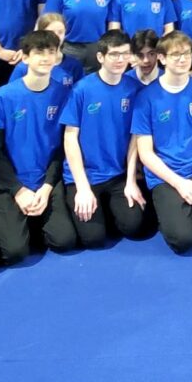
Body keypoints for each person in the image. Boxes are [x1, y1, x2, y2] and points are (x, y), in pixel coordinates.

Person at [132, 31, 192, 253]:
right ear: (162, 58)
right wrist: (179, 184)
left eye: (186, 53)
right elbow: (145, 153)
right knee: (183, 241)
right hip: (165, 177)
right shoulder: (146, 97)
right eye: (175, 55)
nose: (183, 59)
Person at [0, 31, 75, 263]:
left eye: (51, 52)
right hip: (12, 182)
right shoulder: (4, 96)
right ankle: (2, 210)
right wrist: (18, 190)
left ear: (57, 57)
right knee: (14, 253)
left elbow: (62, 148)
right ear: (25, 58)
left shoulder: (64, 94)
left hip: (46, 180)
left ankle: (35, 218)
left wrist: (46, 188)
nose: (46, 58)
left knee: (64, 241)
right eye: (38, 52)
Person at [61, 30, 147, 248]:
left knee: (134, 227)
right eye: (114, 54)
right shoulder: (81, 89)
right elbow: (70, 138)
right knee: (93, 239)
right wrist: (82, 187)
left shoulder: (135, 89)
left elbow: (137, 137)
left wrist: (130, 181)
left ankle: (110, 207)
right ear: (100, 57)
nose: (120, 60)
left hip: (118, 174)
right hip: (86, 175)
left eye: (125, 54)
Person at [9, 13, 85, 90]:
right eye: (51, 32)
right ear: (40, 33)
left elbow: (80, 94)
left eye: (60, 32)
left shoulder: (74, 65)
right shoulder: (24, 67)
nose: (56, 36)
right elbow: (12, 94)